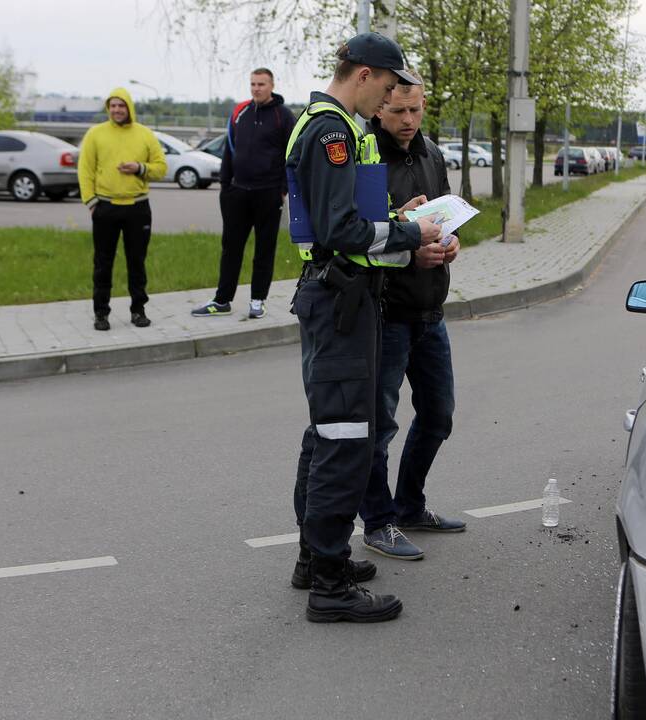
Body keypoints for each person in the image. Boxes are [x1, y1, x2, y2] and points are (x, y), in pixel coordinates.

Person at [286, 32, 441, 624]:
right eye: (388, 85)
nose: (391, 98)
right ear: (365, 74)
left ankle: (314, 558)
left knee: (331, 432)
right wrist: (409, 234)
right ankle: (328, 582)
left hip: (340, 298)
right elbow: (340, 229)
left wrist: (396, 220)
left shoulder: (333, 125)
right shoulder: (332, 130)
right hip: (340, 300)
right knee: (344, 438)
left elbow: (347, 218)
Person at [357, 70, 464, 562]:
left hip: (430, 309)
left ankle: (410, 505)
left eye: (416, 110)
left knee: (438, 416)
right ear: (379, 106)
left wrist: (448, 243)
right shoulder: (366, 156)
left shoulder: (432, 153)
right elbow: (358, 234)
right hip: (386, 310)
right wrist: (407, 246)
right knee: (379, 426)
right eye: (398, 110)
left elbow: (442, 217)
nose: (407, 119)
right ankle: (378, 523)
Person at [192, 68, 296, 319]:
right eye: (252, 84)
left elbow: (292, 155)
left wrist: (282, 189)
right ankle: (222, 300)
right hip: (237, 193)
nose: (256, 88)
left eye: (261, 84)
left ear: (271, 85)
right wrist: (225, 187)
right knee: (231, 249)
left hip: (268, 194)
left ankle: (258, 300)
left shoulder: (283, 116)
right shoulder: (240, 112)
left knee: (264, 250)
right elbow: (229, 150)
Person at [78, 88, 167, 331]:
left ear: (129, 107)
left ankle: (138, 310)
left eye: (121, 106)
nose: (117, 110)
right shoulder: (96, 134)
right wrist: (91, 202)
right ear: (108, 108)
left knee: (137, 262)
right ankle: (101, 313)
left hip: (137, 208)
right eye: (113, 106)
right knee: (103, 263)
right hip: (105, 207)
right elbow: (85, 171)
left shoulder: (145, 134)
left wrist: (139, 168)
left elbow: (161, 168)